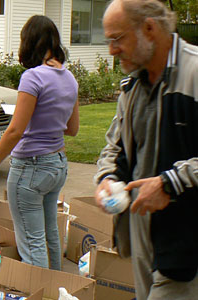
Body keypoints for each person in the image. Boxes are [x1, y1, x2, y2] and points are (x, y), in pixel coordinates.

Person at [95, 0, 198, 298]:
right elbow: (114, 147)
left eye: (117, 39)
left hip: (184, 248)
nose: (112, 50)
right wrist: (108, 179)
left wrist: (169, 184)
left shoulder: (194, 73)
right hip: (142, 244)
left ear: (149, 29)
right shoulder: (132, 87)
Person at [0, 15, 79, 271]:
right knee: (49, 233)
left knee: (32, 243)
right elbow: (72, 129)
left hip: (30, 169)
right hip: (57, 164)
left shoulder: (32, 77)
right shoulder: (69, 78)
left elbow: (14, 131)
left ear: (29, 42)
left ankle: (38, 292)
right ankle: (56, 290)